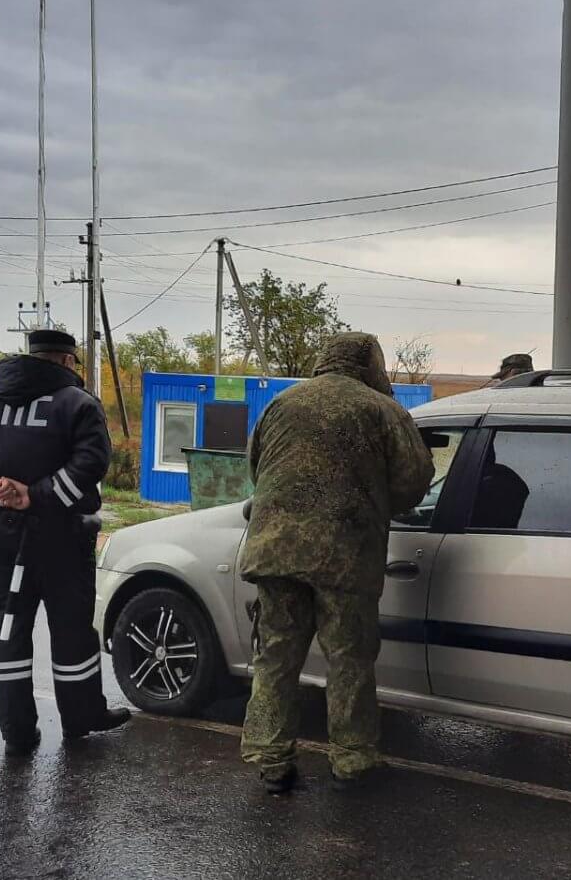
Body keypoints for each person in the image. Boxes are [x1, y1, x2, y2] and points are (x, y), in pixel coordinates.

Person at [240, 332, 433, 795]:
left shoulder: (281, 404)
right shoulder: (381, 409)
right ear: (373, 365)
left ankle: (271, 760)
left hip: (275, 553)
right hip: (345, 556)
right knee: (349, 660)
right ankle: (351, 760)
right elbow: (413, 481)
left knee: (276, 658)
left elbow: (256, 470)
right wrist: (377, 497)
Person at [0, 329, 130, 756]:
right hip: (62, 538)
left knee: (8, 632)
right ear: (66, 361)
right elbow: (92, 461)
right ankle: (81, 719)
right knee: (71, 631)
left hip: (0, 536)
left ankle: (18, 733)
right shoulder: (78, 404)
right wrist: (36, 496)